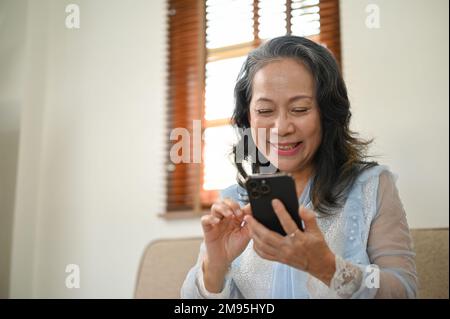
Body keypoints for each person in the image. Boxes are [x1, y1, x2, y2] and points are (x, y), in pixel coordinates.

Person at [181, 36, 417, 298]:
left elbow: (403, 289)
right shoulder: (234, 202)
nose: (282, 128)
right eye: (265, 111)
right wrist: (215, 266)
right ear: (248, 117)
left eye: (300, 109)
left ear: (327, 113)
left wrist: (328, 268)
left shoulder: (371, 187)